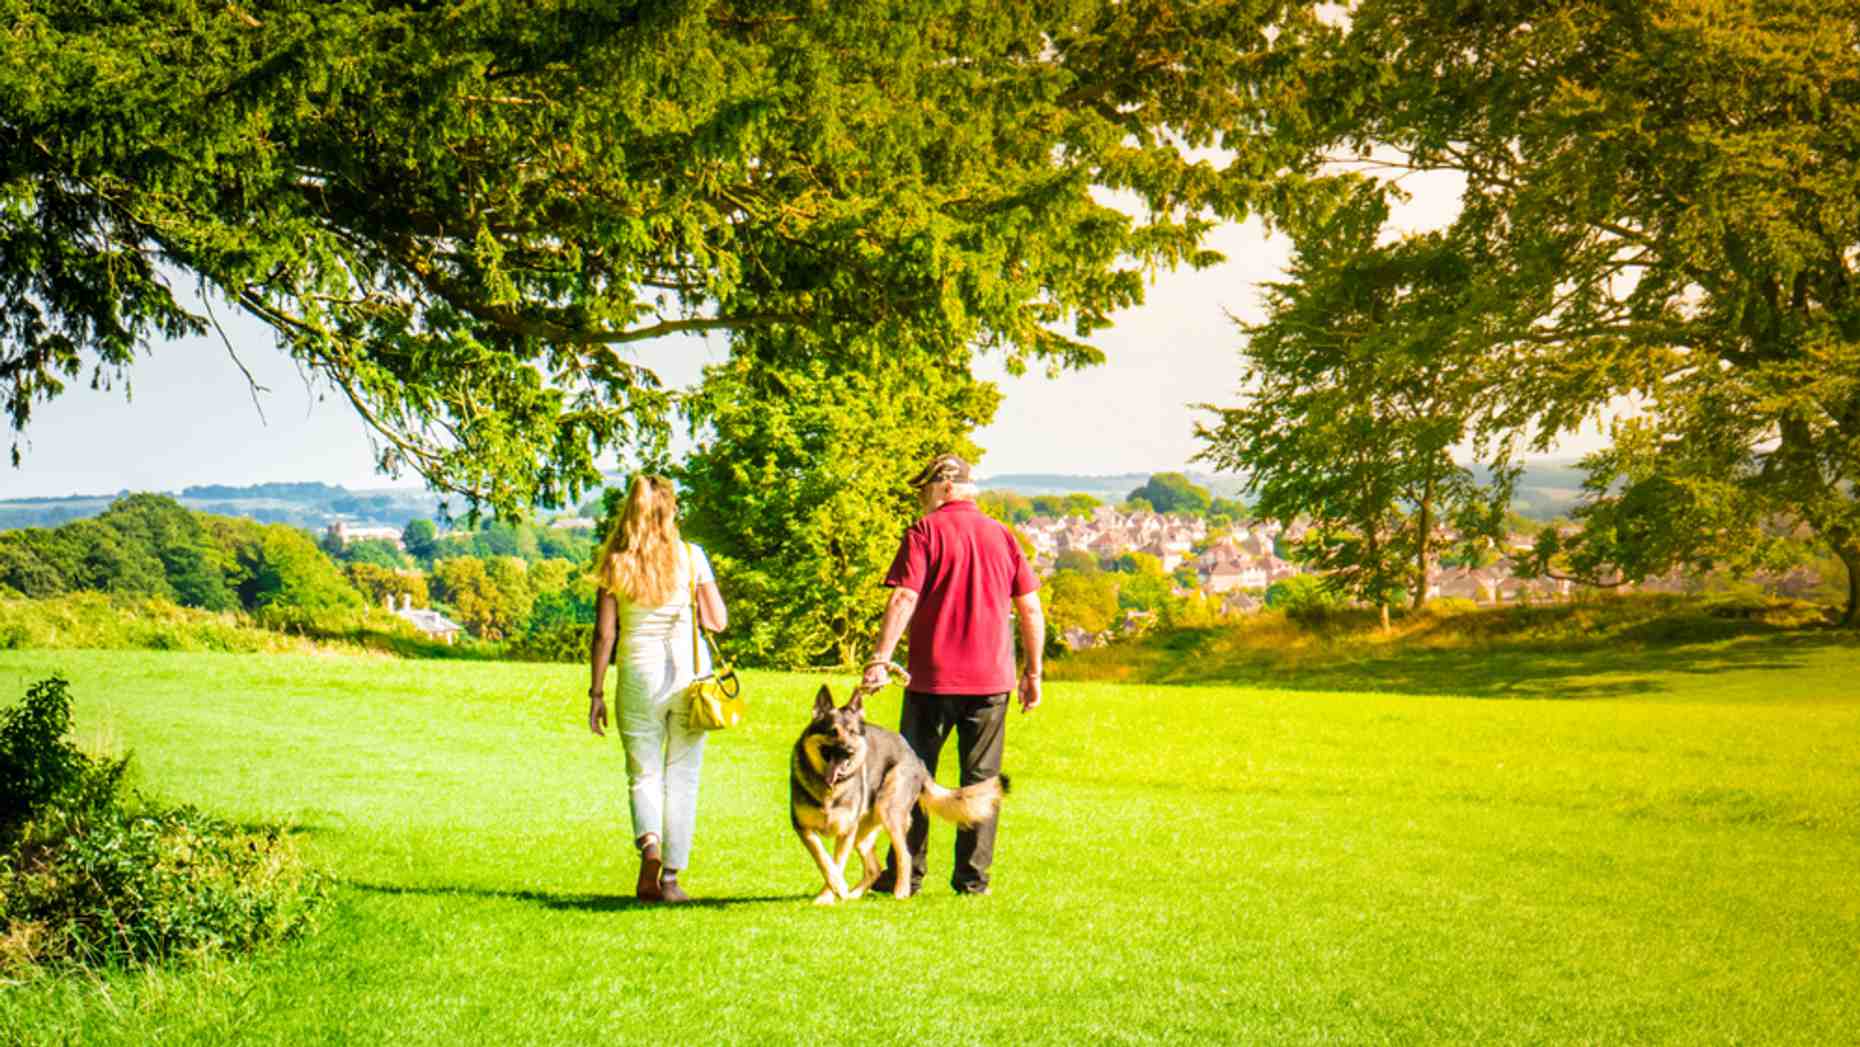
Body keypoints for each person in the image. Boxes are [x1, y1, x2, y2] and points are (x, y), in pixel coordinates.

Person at [862, 453, 1044, 896]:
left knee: (912, 776)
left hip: (931, 680)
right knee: (982, 781)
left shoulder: (924, 532)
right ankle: (973, 881)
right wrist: (1033, 671)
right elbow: (1031, 607)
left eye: (925, 489)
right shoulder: (1002, 535)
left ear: (944, 488)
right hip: (992, 680)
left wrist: (881, 658)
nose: (922, 499)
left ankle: (907, 875)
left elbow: (905, 596)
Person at [587, 475, 728, 904]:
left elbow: (604, 636)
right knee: (682, 776)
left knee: (643, 772)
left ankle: (650, 845)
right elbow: (717, 621)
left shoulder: (615, 560)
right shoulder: (691, 556)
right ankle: (670, 879)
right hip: (688, 674)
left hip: (636, 674)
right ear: (672, 510)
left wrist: (595, 693)